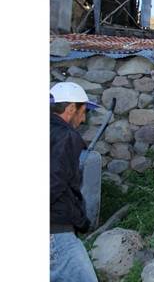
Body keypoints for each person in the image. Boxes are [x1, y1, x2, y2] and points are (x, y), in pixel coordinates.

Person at [50, 82, 100, 282]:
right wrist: (80, 220)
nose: (84, 118)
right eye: (83, 111)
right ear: (71, 109)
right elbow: (54, 182)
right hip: (56, 230)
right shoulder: (66, 136)